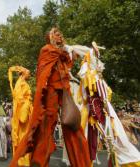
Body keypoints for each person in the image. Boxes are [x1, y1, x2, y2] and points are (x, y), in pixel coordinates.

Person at [9, 28, 91, 167]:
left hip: (64, 93)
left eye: (60, 34)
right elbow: (43, 75)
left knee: (73, 125)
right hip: (51, 94)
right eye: (56, 34)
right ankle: (39, 162)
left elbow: (69, 61)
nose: (60, 36)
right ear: (50, 37)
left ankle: (82, 162)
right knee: (46, 128)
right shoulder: (46, 50)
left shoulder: (62, 54)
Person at [77, 42, 140, 166]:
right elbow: (90, 90)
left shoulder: (97, 78)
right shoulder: (90, 75)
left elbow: (101, 95)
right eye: (95, 57)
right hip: (95, 111)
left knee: (116, 138)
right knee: (95, 140)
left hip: (103, 110)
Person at [8, 66, 33, 166]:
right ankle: (23, 162)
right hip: (23, 116)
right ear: (23, 74)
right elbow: (19, 99)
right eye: (28, 73)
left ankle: (25, 161)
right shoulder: (20, 83)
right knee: (23, 139)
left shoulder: (24, 83)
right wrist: (27, 104)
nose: (29, 75)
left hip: (25, 116)